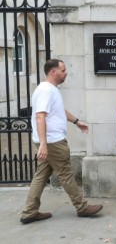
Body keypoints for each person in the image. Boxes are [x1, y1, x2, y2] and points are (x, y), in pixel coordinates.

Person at [20, 59, 103, 224]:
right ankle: (82, 206)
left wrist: (76, 121)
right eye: (63, 70)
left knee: (41, 175)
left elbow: (58, 111)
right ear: (53, 72)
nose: (66, 73)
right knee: (66, 174)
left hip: (49, 141)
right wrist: (43, 144)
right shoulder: (46, 91)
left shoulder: (50, 89)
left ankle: (29, 212)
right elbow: (40, 116)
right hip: (52, 142)